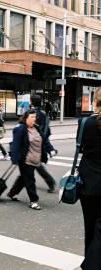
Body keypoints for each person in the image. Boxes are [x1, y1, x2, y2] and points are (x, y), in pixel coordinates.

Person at [7, 109, 56, 210]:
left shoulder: (36, 128)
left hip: (35, 158)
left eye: (35, 117)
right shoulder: (20, 128)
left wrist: (51, 149)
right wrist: (14, 159)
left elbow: (44, 140)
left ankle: (12, 193)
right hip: (25, 159)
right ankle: (33, 201)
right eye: (32, 117)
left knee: (23, 178)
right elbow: (15, 145)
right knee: (30, 179)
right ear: (26, 118)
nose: (34, 119)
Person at [78, 87, 101, 270]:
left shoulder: (86, 123)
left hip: (88, 183)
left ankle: (89, 260)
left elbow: (81, 148)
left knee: (90, 227)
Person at [31, 95, 57, 193]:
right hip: (39, 142)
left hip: (34, 143)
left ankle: (50, 182)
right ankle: (25, 183)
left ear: (32, 102)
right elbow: (46, 130)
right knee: (33, 165)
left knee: (34, 165)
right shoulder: (43, 113)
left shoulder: (32, 113)